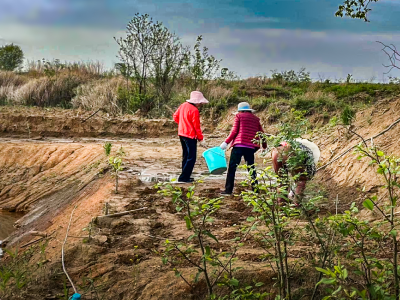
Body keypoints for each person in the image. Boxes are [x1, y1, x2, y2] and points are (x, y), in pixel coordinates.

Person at [220, 102, 266, 196]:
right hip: (250, 147)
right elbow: (262, 134)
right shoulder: (256, 119)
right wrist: (264, 146)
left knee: (232, 168)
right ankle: (255, 190)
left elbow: (234, 131)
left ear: (240, 110)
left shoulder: (239, 116)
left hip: (239, 145)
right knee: (251, 168)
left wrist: (226, 142)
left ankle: (228, 190)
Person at [271, 138, 320, 205]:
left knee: (282, 181)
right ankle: (295, 207)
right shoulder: (306, 150)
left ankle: (282, 206)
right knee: (300, 181)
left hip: (276, 152)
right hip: (292, 152)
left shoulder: (285, 143)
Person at [173, 91, 208, 183]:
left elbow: (175, 117)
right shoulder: (194, 110)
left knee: (185, 156)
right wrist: (201, 139)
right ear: (196, 101)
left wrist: (182, 124)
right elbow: (196, 126)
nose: (201, 104)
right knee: (191, 157)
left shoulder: (183, 105)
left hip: (181, 134)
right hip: (190, 135)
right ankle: (184, 177)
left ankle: (185, 175)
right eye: (200, 102)